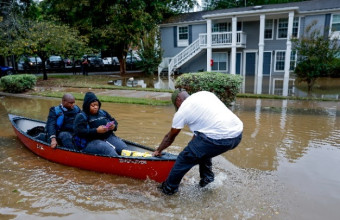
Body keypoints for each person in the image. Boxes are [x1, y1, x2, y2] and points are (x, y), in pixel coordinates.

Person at [153, 90, 243, 195]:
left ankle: (168, 190)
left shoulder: (182, 111)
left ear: (178, 100)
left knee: (184, 158)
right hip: (237, 134)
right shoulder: (204, 94)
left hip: (219, 138)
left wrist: (158, 150)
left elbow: (170, 137)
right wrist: (192, 149)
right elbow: (200, 134)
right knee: (202, 151)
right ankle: (207, 182)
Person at [73, 92, 128, 156]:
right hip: (90, 142)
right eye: (93, 105)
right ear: (87, 106)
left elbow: (114, 121)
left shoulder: (103, 113)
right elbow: (79, 131)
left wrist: (114, 126)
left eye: (97, 105)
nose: (96, 107)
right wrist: (96, 131)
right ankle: (118, 163)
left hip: (107, 137)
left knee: (124, 148)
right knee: (110, 151)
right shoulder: (81, 116)